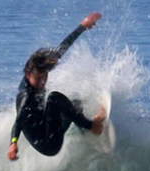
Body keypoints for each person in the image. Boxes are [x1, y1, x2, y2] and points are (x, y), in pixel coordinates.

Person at [7, 12, 108, 160]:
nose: (43, 81)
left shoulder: (37, 70)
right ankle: (91, 127)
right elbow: (18, 122)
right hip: (48, 144)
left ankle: (86, 130)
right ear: (28, 73)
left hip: (48, 126)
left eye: (45, 76)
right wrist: (13, 143)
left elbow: (61, 50)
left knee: (74, 103)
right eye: (39, 78)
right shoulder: (26, 95)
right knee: (54, 98)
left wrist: (83, 26)